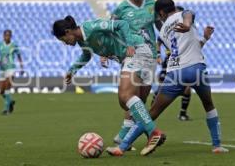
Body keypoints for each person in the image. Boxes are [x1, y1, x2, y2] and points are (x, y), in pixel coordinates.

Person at [107, 0, 229, 156]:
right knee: (208, 105)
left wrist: (191, 30)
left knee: (152, 112)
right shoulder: (184, 14)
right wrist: (196, 31)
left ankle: (121, 147)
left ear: (162, 13)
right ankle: (216, 145)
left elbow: (179, 49)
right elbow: (189, 18)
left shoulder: (163, 31)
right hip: (196, 69)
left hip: (175, 74)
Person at [52, 16, 166, 156]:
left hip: (136, 51)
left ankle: (153, 132)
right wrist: (72, 70)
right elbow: (86, 55)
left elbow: (122, 24)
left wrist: (129, 44)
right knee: (134, 106)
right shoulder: (82, 41)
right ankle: (123, 143)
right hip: (143, 56)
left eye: (64, 40)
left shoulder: (90, 27)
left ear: (68, 31)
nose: (66, 44)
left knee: (125, 96)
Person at [101, 0, 159, 146]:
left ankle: (126, 135)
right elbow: (110, 30)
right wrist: (105, 51)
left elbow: (159, 26)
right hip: (133, 53)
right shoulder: (121, 9)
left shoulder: (152, 5)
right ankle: (130, 134)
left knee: (141, 99)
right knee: (130, 96)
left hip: (150, 55)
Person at [155, 5, 193, 121]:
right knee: (162, 87)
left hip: (183, 60)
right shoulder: (168, 27)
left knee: (187, 88)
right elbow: (159, 40)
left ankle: (182, 113)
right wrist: (157, 54)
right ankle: (152, 111)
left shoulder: (187, 29)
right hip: (169, 60)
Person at [0, 30, 23, 115]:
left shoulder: (14, 45)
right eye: (6, 36)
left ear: (11, 36)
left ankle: (6, 109)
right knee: (1, 91)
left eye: (9, 36)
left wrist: (21, 67)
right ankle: (10, 101)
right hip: (2, 69)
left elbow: (19, 56)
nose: (7, 37)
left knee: (7, 87)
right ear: (3, 36)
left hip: (11, 68)